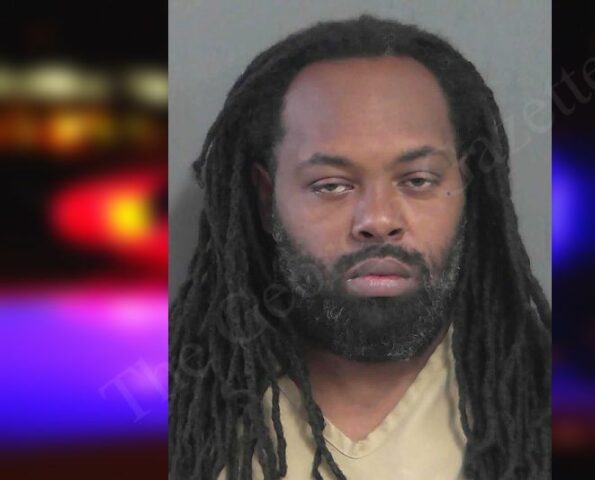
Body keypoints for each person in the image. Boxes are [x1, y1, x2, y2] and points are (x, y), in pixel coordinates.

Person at [170, 15, 550, 480]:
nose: (378, 221)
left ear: (467, 189)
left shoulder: (554, 406)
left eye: (418, 180)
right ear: (267, 199)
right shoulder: (173, 418)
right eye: (331, 185)